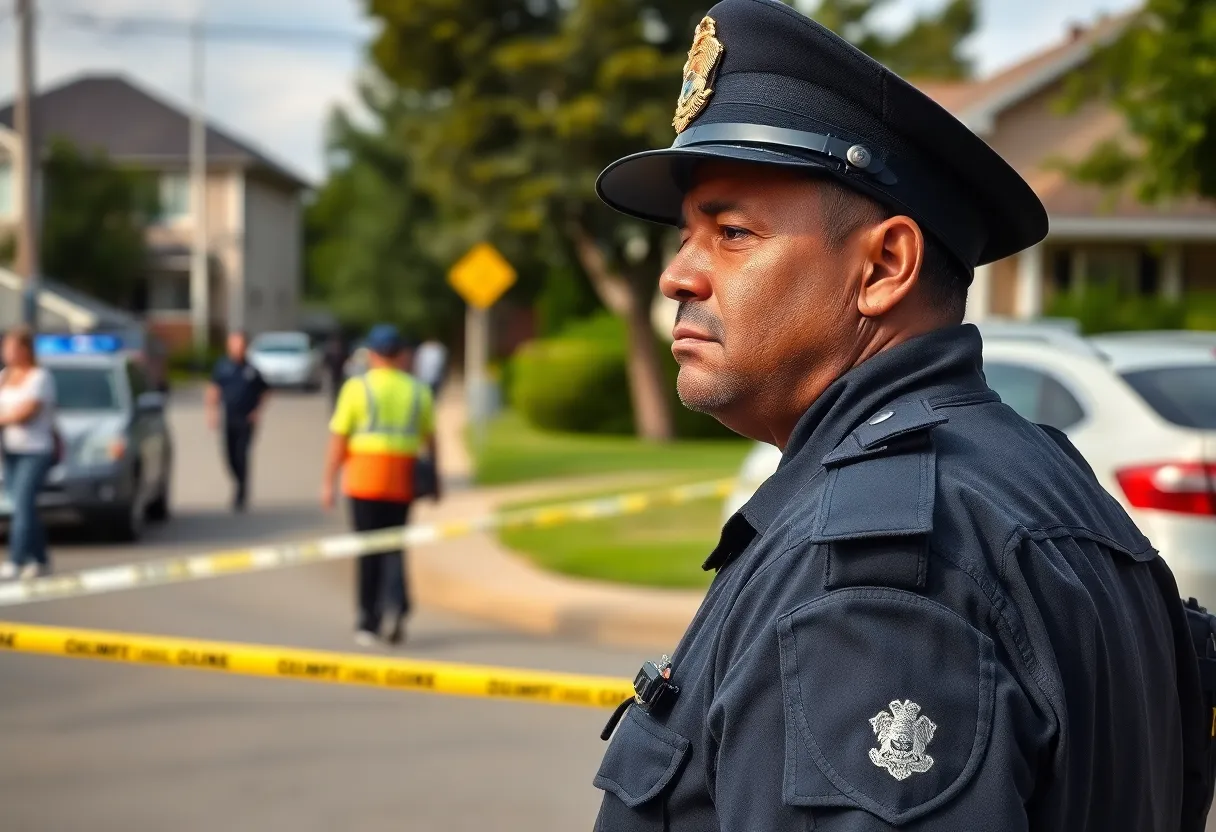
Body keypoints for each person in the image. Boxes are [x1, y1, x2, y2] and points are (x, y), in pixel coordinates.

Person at [590, 2, 1215, 831]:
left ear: (885, 266)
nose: (679, 276)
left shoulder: (873, 578)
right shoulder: (1035, 479)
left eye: (732, 232)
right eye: (686, 236)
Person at [322, 324, 438, 647]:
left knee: (368, 550)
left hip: (365, 479)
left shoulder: (356, 388)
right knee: (394, 548)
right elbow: (431, 438)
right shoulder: (418, 390)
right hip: (402, 478)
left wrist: (328, 482)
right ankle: (397, 606)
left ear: (372, 355)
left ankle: (368, 620)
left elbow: (339, 439)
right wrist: (436, 479)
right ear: (401, 354)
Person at [0, 326, 58, 579]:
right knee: (22, 506)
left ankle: (16, 559)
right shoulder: (5, 376)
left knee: (23, 503)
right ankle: (41, 558)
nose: (6, 352)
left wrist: (5, 418)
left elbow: (27, 412)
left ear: (25, 350)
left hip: (35, 451)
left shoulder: (40, 377)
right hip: (10, 451)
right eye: (5, 347)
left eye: (12, 347)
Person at [206, 330, 269, 512]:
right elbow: (214, 389)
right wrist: (212, 412)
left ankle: (241, 491)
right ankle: (238, 481)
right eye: (234, 345)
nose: (238, 349)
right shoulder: (222, 367)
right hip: (229, 417)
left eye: (241, 345)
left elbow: (265, 390)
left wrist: (257, 411)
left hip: (246, 420)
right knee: (229, 456)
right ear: (229, 346)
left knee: (242, 455)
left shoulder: (252, 370)